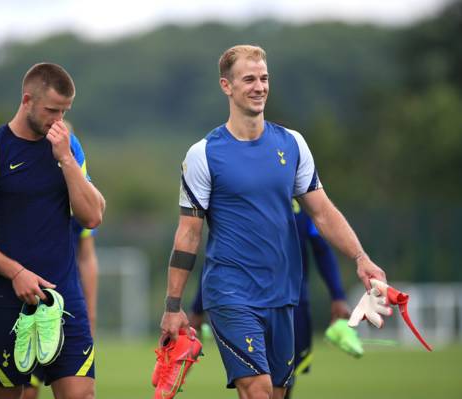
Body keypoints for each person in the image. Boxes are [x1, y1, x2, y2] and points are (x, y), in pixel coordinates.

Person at [159, 45, 386, 399]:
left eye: (264, 78)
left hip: (284, 294)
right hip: (230, 293)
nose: (259, 86)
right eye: (248, 79)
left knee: (277, 393)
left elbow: (322, 212)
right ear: (226, 86)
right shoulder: (203, 153)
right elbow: (188, 233)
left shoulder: (293, 144)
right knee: (259, 391)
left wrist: (361, 258)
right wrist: (173, 307)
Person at [0, 63, 104, 399]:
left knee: (81, 394)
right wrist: (16, 273)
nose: (58, 120)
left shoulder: (68, 147)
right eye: (51, 110)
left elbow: (91, 217)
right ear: (27, 100)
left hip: (63, 299)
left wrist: (66, 160)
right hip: (3, 300)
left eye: (64, 112)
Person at [188, 199, 352, 399]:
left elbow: (322, 249)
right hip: (243, 302)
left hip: (292, 304)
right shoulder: (242, 200)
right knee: (255, 385)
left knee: (280, 386)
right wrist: (197, 309)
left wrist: (338, 296)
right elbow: (218, 259)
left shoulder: (306, 201)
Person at [22, 124, 100, 399]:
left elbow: (87, 257)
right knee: (26, 391)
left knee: (81, 391)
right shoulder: (23, 183)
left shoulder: (78, 192)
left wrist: (89, 314)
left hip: (66, 303)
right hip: (26, 304)